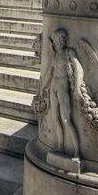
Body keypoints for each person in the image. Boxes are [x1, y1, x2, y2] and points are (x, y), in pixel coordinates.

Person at [42, 28, 80, 157]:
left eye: (60, 40)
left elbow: (78, 69)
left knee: (66, 119)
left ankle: (76, 152)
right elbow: (49, 73)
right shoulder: (55, 56)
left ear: (64, 41)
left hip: (63, 86)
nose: (58, 43)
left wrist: (78, 87)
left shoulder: (69, 53)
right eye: (56, 41)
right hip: (54, 86)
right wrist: (42, 87)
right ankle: (60, 146)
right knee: (55, 118)